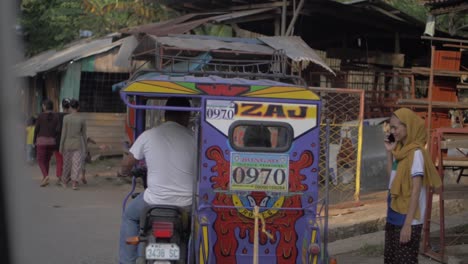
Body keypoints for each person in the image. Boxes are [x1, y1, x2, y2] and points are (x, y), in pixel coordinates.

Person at [118, 97, 196, 264]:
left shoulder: (148, 135)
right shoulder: (195, 139)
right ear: (187, 116)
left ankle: (127, 261)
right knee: (195, 229)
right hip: (186, 204)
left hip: (153, 202)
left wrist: (122, 171)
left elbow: (127, 163)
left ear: (165, 114)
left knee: (130, 216)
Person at [383, 108, 442, 264]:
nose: (392, 131)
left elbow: (416, 190)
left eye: (396, 127)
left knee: (405, 260)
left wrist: (408, 225)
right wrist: (389, 152)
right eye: (391, 127)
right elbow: (392, 181)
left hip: (408, 218)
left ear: (407, 126)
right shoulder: (400, 150)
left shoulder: (415, 153)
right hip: (394, 212)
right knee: (391, 260)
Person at [59, 99, 87, 190]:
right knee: (76, 164)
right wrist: (86, 147)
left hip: (67, 144)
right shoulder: (82, 119)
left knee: (66, 163)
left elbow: (63, 133)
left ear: (70, 107)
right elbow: (84, 134)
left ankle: (64, 182)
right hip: (77, 144)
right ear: (78, 107)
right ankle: (74, 183)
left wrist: (61, 146)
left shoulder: (66, 118)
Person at [34, 99, 60, 187]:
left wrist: (34, 140)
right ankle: (45, 179)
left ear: (45, 106)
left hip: (41, 141)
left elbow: (36, 129)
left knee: (40, 160)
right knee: (47, 160)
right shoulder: (56, 116)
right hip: (51, 142)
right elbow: (57, 130)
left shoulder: (41, 116)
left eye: (43, 105)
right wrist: (53, 139)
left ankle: (46, 176)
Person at [54, 98, 71, 185]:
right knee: (68, 160)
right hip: (68, 141)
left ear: (62, 105)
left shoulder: (56, 115)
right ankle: (67, 177)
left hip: (57, 141)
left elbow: (54, 128)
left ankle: (59, 177)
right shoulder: (71, 117)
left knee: (59, 160)